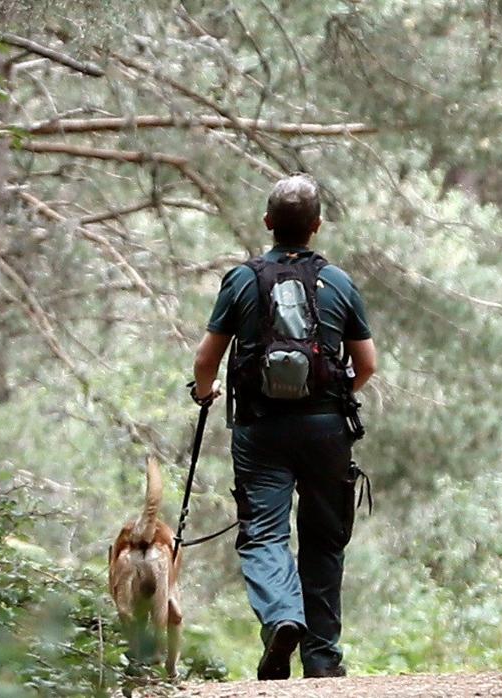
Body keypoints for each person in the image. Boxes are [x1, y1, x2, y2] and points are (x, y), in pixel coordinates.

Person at [192, 173, 377, 680]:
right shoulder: (337, 282)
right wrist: (339, 394)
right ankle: (322, 659)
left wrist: (204, 390)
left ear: (269, 223)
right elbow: (367, 364)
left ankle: (281, 618)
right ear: (316, 227)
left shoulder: (242, 280)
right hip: (326, 429)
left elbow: (207, 358)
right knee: (323, 539)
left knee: (264, 535)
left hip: (261, 429)